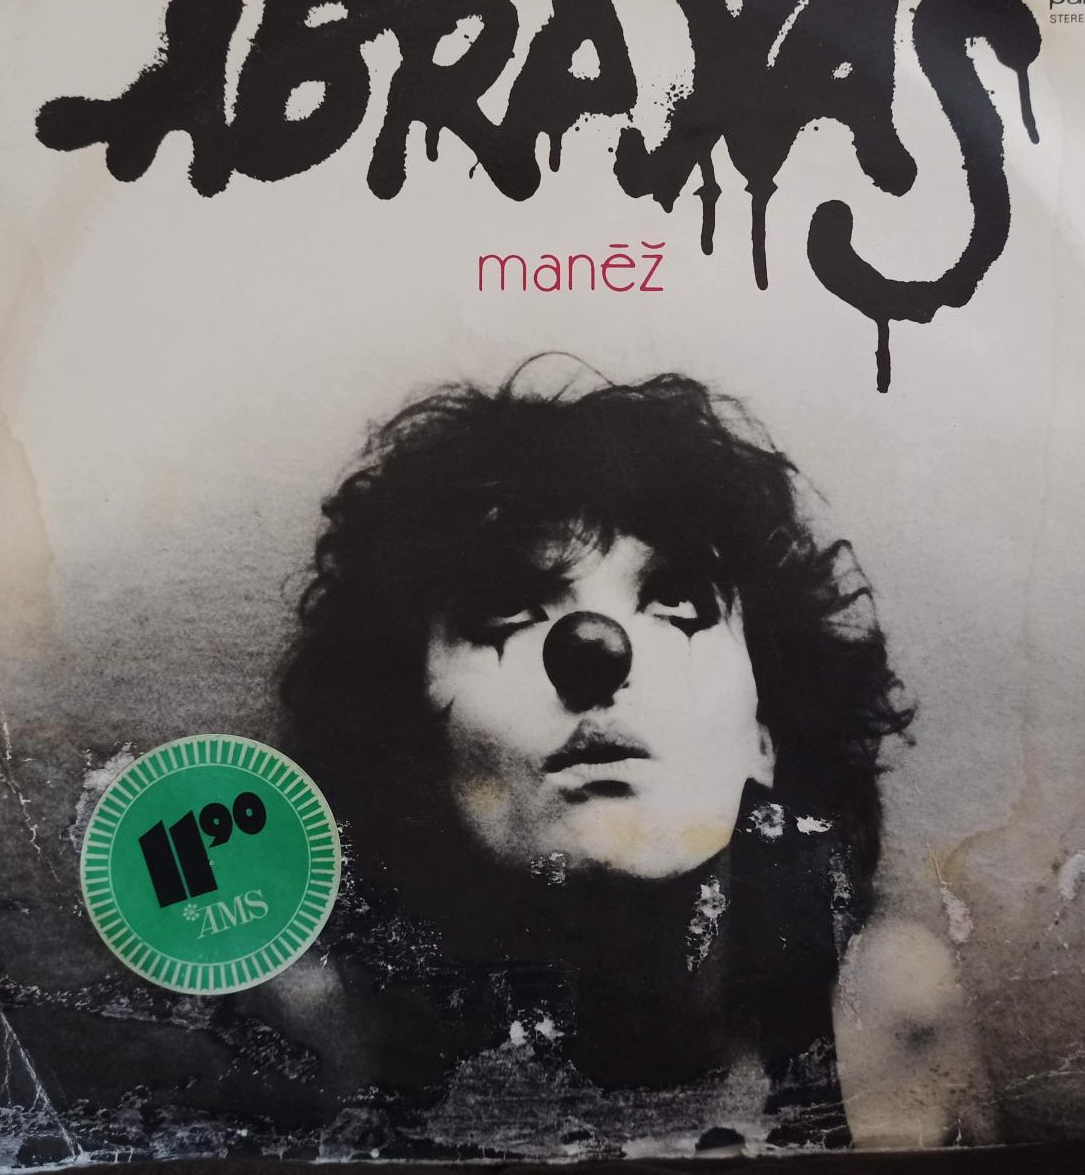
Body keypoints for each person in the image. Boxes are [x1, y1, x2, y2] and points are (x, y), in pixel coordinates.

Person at [257, 363, 983, 1153]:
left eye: (676, 604)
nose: (598, 652)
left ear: (766, 731)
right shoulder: (319, 1038)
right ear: (413, 737)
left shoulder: (889, 1014)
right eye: (509, 610)